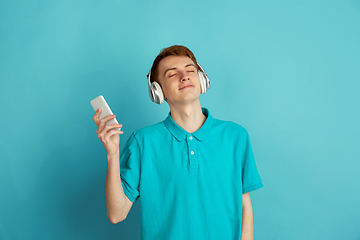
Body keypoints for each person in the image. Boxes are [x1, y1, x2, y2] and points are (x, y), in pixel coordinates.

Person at [92, 45, 264, 240]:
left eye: (191, 70)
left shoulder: (236, 136)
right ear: (158, 91)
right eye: (172, 74)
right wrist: (112, 154)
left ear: (202, 80)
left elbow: (244, 205)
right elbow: (117, 214)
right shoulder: (142, 142)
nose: (185, 76)